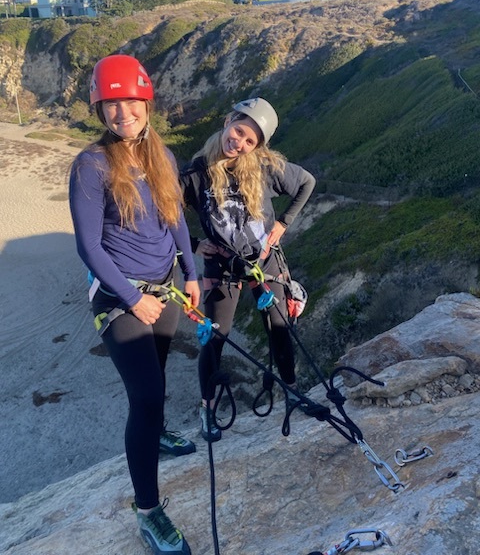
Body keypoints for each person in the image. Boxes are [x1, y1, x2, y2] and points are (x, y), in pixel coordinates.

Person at [69, 54, 200, 555]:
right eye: (111, 105)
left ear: (146, 102)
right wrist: (131, 299)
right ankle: (148, 512)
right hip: (118, 295)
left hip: (165, 286)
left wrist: (191, 275)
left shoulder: (162, 157)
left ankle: (159, 432)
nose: (122, 113)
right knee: (145, 395)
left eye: (130, 102)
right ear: (99, 109)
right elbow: (89, 246)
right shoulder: (91, 165)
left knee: (158, 379)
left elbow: (175, 221)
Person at [180, 97, 316, 442]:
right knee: (215, 338)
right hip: (222, 267)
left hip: (264, 262)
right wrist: (195, 245)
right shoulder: (195, 173)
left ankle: (292, 391)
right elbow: (166, 216)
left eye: (249, 141)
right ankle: (207, 410)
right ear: (228, 121)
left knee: (280, 329)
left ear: (257, 147)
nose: (238, 143)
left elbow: (306, 182)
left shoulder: (265, 167)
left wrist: (284, 224)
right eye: (238, 131)